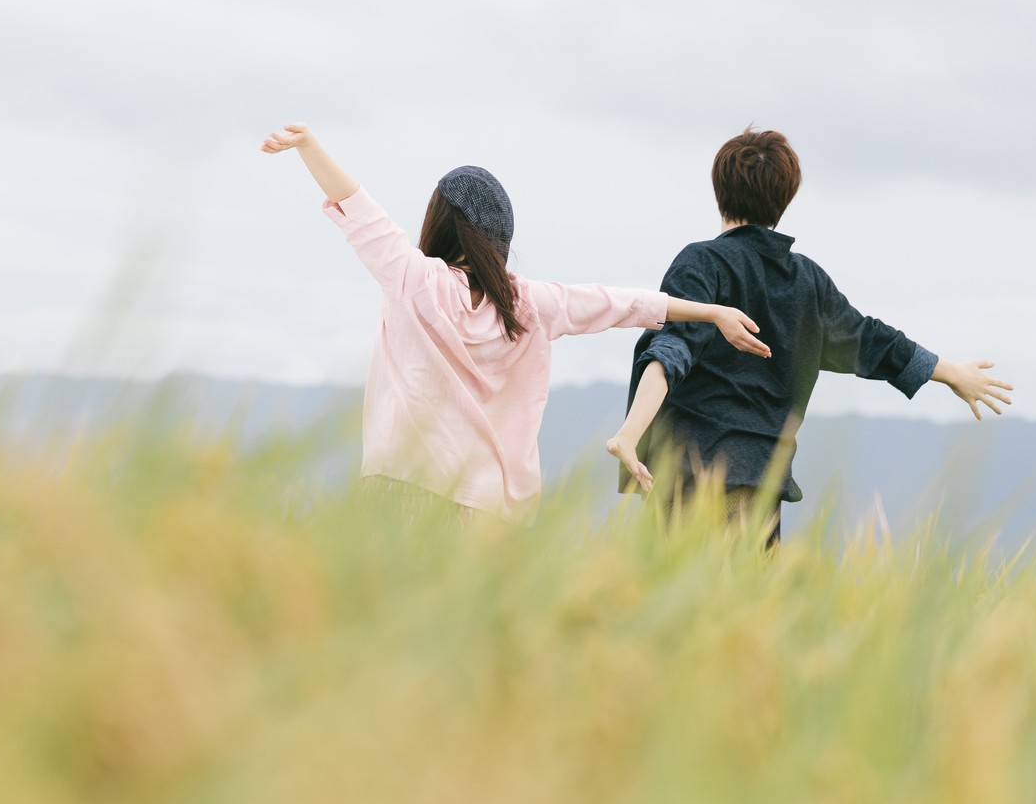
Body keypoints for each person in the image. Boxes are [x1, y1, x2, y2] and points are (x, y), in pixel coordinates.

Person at [261, 122, 770, 525]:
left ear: (440, 221)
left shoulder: (416, 280)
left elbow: (360, 208)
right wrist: (711, 312)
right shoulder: (532, 305)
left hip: (403, 492)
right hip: (491, 516)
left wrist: (307, 144)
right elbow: (623, 303)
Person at [605, 126, 1014, 546]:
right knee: (749, 607)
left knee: (685, 604)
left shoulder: (701, 262)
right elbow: (871, 341)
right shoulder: (808, 281)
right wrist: (952, 373)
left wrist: (629, 434)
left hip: (691, 473)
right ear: (785, 198)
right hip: (762, 480)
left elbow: (672, 349)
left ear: (719, 190)